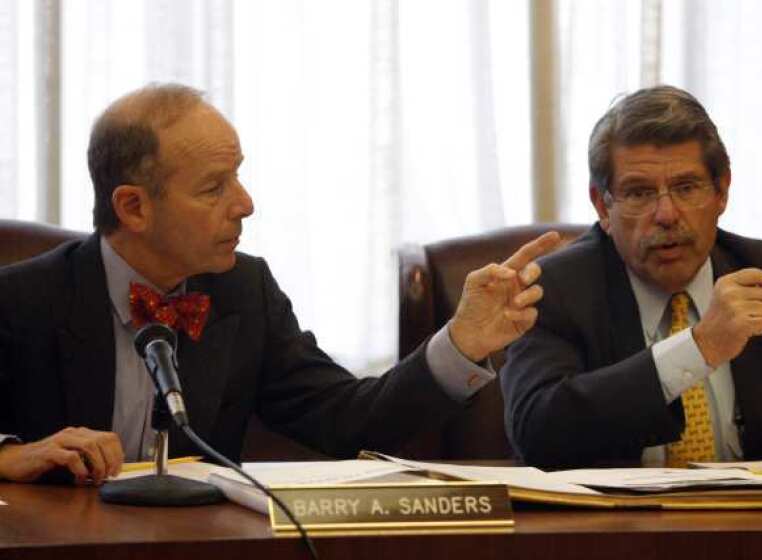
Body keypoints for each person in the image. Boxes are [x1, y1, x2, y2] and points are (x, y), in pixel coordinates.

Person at [0, 83, 561, 484]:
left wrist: (461, 343)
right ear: (133, 206)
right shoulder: (23, 299)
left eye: (238, 177)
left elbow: (351, 422)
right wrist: (8, 457)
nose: (244, 204)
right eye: (214, 187)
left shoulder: (244, 291)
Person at [501, 85, 762, 473]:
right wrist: (697, 349)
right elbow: (536, 434)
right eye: (639, 193)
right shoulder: (553, 289)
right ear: (602, 205)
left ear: (722, 191)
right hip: (617, 531)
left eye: (686, 187)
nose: (666, 214)